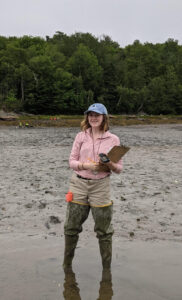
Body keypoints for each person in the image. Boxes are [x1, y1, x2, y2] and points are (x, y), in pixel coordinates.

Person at [63, 103, 122, 271]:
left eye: (97, 115)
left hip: (101, 186)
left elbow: (119, 169)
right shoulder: (81, 136)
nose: (93, 118)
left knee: (104, 231)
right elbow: (71, 162)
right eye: (90, 115)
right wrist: (86, 166)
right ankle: (66, 266)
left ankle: (106, 270)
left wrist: (109, 163)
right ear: (87, 117)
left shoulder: (113, 139)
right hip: (79, 184)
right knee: (71, 228)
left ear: (104, 117)